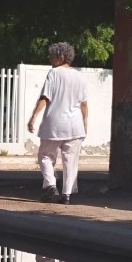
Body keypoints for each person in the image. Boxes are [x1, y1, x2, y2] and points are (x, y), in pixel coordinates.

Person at [27, 42, 88, 204]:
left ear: (60, 57)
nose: (50, 59)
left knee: (46, 156)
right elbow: (83, 104)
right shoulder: (80, 76)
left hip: (54, 124)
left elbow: (45, 97)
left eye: (52, 56)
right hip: (75, 126)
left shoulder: (54, 73)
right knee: (71, 161)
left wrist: (33, 117)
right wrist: (85, 124)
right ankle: (66, 195)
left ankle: (51, 185)